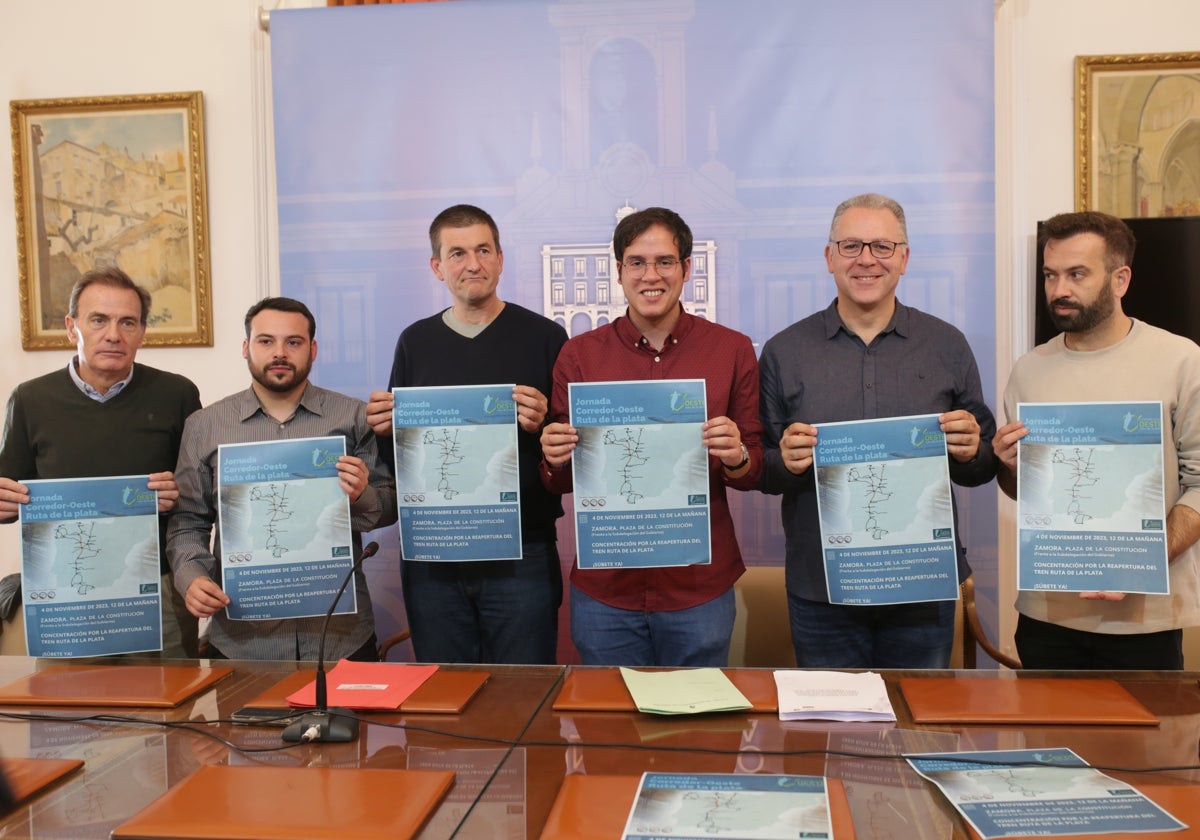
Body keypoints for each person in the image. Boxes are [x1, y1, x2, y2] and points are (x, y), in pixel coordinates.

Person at [758, 193, 997, 669]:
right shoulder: (785, 351)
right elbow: (759, 469)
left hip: (920, 586)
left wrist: (972, 451)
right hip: (823, 589)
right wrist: (781, 461)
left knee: (916, 725)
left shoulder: (947, 345)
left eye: (882, 247)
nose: (866, 259)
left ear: (904, 258)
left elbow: (982, 466)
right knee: (830, 733)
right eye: (851, 246)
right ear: (829, 258)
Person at [540, 206, 762, 667]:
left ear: (686, 268)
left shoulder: (731, 349)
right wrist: (555, 458)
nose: (650, 275)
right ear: (619, 272)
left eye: (664, 261)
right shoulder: (579, 355)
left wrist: (737, 454)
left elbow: (752, 469)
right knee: (609, 731)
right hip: (607, 590)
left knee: (699, 730)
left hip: (699, 587)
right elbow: (559, 483)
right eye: (636, 262)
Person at [994, 211, 1200, 670]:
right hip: (1046, 617)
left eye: (1077, 274)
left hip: (1145, 621)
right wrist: (1009, 467)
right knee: (1047, 741)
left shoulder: (1181, 360)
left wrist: (1138, 559)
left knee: (1143, 745)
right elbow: (1022, 493)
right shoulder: (1029, 370)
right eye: (1050, 275)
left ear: (1120, 279)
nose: (1059, 290)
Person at [365, 205, 568, 664]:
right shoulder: (414, 342)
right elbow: (400, 459)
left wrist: (544, 427)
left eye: (482, 250)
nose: (472, 264)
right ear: (437, 267)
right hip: (435, 557)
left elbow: (572, 451)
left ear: (500, 258)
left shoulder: (546, 337)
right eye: (457, 253)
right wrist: (383, 431)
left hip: (523, 553)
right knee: (445, 704)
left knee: (523, 698)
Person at [167, 297, 396, 661]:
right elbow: (187, 520)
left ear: (313, 349)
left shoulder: (353, 417)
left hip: (340, 636)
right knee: (245, 722)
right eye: (265, 341)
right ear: (246, 348)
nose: (279, 353)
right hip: (243, 640)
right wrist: (192, 577)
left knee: (344, 722)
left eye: (293, 342)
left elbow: (387, 508)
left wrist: (361, 494)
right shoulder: (205, 426)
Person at [0, 266, 202, 658]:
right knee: (70, 713)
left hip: (155, 591)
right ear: (72, 327)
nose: (113, 334)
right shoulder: (29, 399)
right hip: (65, 592)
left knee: (167, 709)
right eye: (99, 320)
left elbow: (198, 494)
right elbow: (8, 494)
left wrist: (179, 490)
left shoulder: (177, 393)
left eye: (128, 322)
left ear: (143, 331)